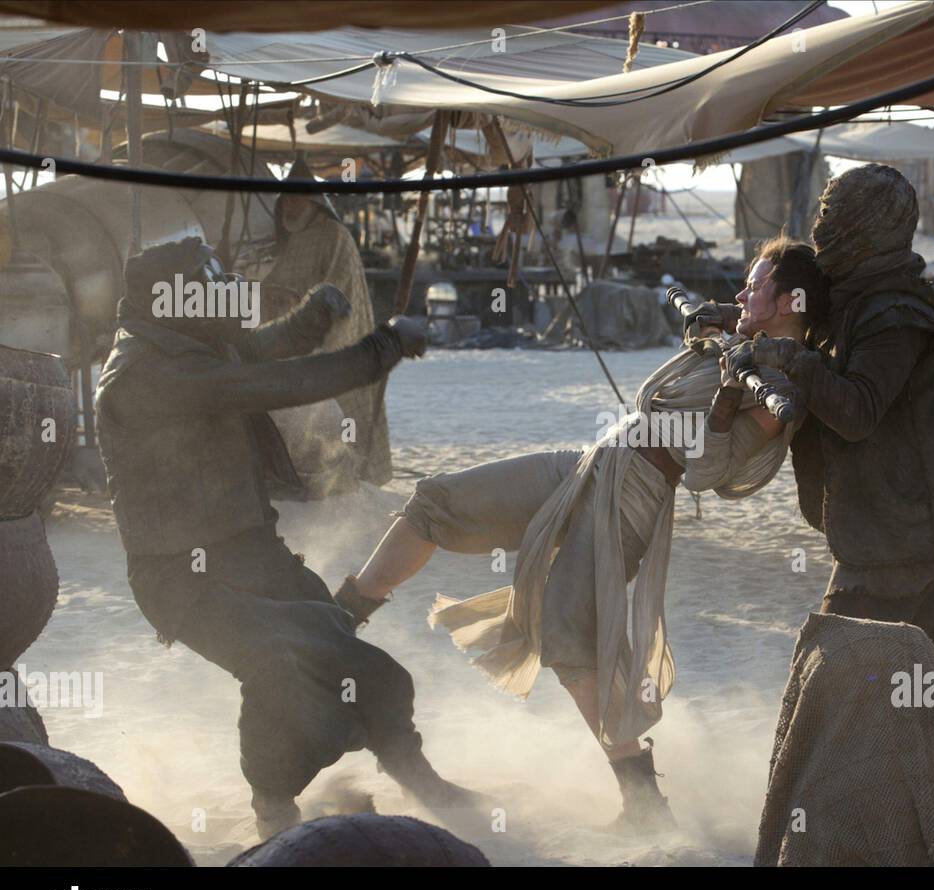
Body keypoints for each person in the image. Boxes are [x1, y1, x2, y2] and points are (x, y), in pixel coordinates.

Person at [334, 238, 824, 831]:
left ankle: (644, 803)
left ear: (791, 299)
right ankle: (339, 621)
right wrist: (724, 329)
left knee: (571, 640)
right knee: (436, 500)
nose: (742, 292)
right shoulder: (745, 341)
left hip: (632, 496)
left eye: (756, 284)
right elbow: (701, 363)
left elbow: (708, 472)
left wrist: (726, 397)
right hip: (594, 461)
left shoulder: (778, 380)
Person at [94, 237, 481, 839]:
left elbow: (258, 352)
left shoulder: (188, 344)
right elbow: (277, 383)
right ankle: (274, 809)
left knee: (369, 672)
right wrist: (385, 347)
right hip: (184, 580)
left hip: (252, 552)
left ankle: (419, 777)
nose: (222, 295)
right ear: (171, 302)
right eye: (207, 287)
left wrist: (314, 316)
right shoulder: (148, 375)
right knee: (285, 670)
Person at [724, 165, 934, 650]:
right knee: (899, 687)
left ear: (868, 225)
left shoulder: (894, 316)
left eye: (835, 213)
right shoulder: (860, 296)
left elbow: (857, 412)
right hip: (887, 531)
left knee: (836, 672)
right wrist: (743, 316)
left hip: (905, 540)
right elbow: (804, 317)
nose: (822, 227)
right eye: (824, 211)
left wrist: (789, 356)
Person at [264, 154, 393, 485]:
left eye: (298, 199)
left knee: (344, 415)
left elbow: (339, 293)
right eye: (287, 200)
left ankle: (354, 479)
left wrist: (320, 342)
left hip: (333, 344)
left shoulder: (334, 236)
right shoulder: (291, 239)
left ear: (313, 202)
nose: (291, 207)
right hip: (290, 346)